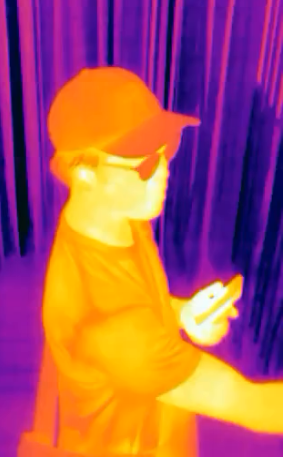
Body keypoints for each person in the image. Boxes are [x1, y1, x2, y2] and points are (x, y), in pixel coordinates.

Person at [41, 66, 283, 456]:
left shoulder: (115, 217)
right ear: (84, 172)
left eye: (165, 149)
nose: (164, 172)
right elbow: (249, 404)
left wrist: (183, 313)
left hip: (157, 417)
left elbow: (139, 301)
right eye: (144, 165)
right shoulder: (115, 327)